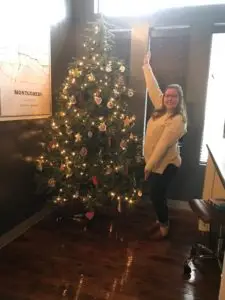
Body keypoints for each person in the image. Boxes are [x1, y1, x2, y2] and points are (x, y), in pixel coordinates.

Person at [143, 51, 187, 238]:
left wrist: (148, 166)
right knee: (157, 195)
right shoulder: (161, 109)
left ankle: (164, 227)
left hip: (167, 164)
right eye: (167, 95)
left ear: (179, 100)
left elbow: (162, 145)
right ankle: (161, 219)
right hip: (154, 162)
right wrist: (146, 66)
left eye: (173, 97)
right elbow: (153, 88)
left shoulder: (178, 120)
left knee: (156, 195)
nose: (169, 98)